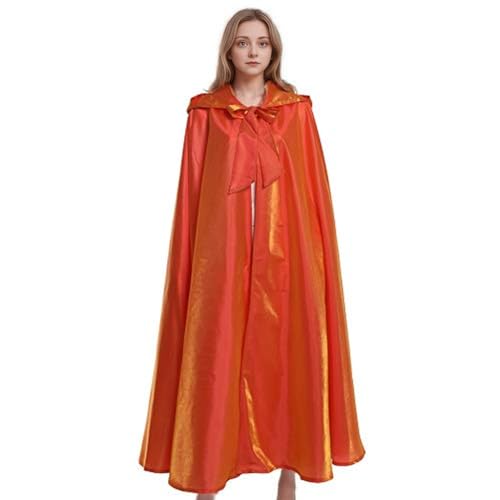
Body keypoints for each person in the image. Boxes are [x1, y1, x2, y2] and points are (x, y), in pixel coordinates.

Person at [138, 8, 366, 500]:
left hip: (287, 256)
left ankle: (291, 466)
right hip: (222, 260)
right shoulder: (206, 114)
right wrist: (198, 263)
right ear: (229, 50)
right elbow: (193, 194)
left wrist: (313, 257)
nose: (253, 51)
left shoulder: (296, 111)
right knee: (215, 356)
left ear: (274, 50)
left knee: (289, 353)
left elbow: (312, 192)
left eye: (262, 43)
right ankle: (206, 473)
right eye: (243, 42)